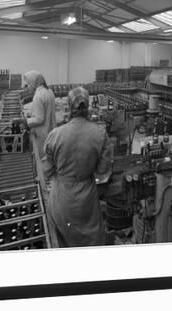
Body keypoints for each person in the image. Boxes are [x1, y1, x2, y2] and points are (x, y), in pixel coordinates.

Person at [43, 87, 112, 247]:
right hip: (86, 200)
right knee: (89, 242)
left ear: (68, 106)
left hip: (62, 198)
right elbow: (103, 172)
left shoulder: (55, 135)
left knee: (63, 242)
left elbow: (47, 169)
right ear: (87, 106)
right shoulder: (100, 134)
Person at [23, 71, 57, 187]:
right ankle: (48, 181)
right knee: (49, 158)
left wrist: (25, 121)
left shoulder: (38, 96)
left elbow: (39, 119)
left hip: (42, 134)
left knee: (41, 159)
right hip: (51, 130)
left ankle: (42, 185)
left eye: (28, 84)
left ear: (33, 82)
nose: (28, 87)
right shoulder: (48, 91)